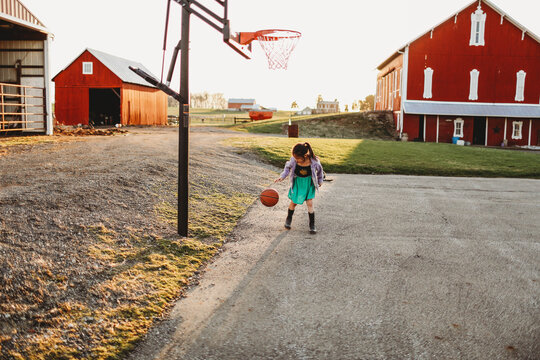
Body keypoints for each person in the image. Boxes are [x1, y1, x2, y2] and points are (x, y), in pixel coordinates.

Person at [275, 142, 324, 234]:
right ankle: (288, 219)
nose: (296, 160)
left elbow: (320, 171)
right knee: (293, 203)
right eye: (295, 157)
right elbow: (287, 168)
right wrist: (282, 177)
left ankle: (312, 225)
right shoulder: (294, 160)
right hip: (298, 183)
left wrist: (320, 181)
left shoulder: (314, 162)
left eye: (298, 158)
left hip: (309, 184)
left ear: (305, 155)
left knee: (310, 203)